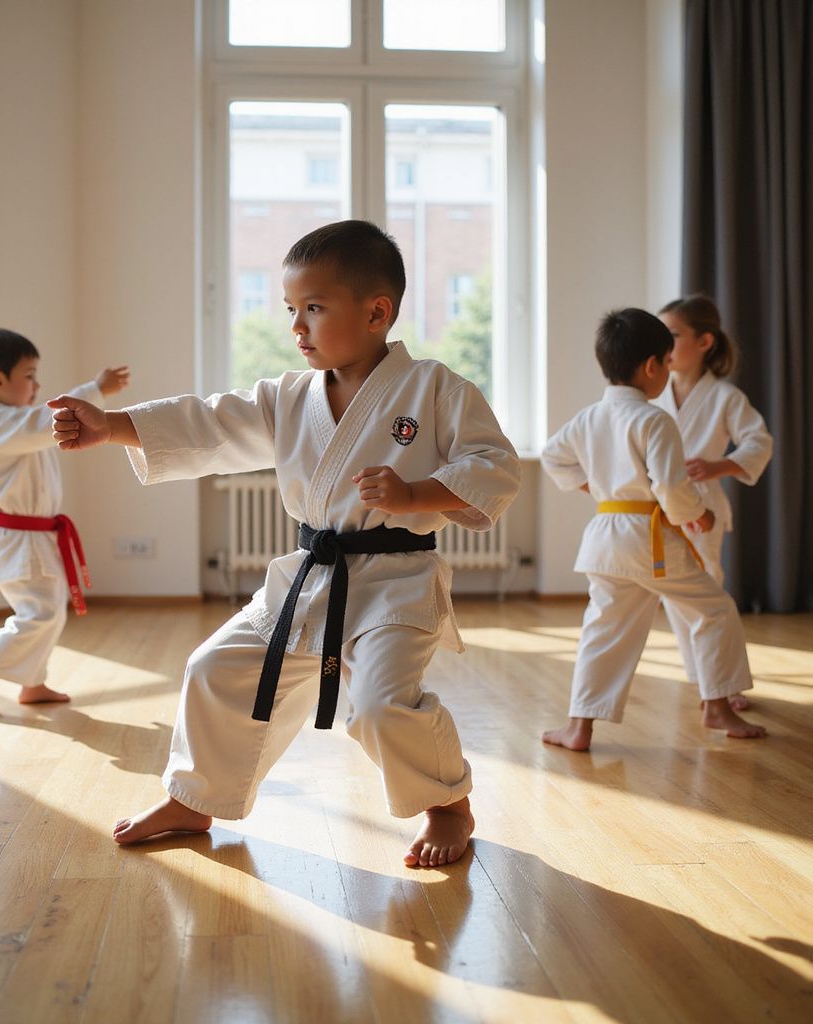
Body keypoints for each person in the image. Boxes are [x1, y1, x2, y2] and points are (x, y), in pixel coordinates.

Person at [49, 220, 521, 867]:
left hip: (394, 584)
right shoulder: (289, 396)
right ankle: (195, 798)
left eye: (314, 309)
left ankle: (447, 804)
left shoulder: (436, 389)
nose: (296, 327)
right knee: (214, 669)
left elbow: (494, 466)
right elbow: (208, 421)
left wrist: (416, 496)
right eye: (291, 310)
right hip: (311, 578)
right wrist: (113, 427)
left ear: (377, 312)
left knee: (381, 707)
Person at [540, 307, 766, 751]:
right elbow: (669, 486)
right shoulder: (654, 420)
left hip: (605, 536)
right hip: (649, 538)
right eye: (665, 361)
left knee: (602, 629)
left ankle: (578, 727)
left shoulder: (588, 417)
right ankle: (718, 707)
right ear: (651, 366)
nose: (667, 370)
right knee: (715, 610)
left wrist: (599, 489)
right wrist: (696, 515)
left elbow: (551, 456)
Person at [0, 326, 130, 716]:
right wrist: (94, 390)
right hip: (17, 541)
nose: (37, 384)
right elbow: (40, 426)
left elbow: (36, 429)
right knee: (40, 613)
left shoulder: (12, 422)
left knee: (48, 609)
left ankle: (32, 684)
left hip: (33, 539)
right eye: (29, 375)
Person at [654, 295, 773, 709]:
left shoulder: (725, 397)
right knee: (674, 596)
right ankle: (705, 678)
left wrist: (718, 466)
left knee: (707, 591)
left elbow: (759, 442)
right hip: (658, 507)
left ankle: (722, 684)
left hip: (702, 508)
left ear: (705, 341)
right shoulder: (653, 393)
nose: (665, 345)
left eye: (673, 335)